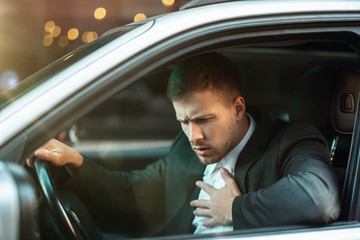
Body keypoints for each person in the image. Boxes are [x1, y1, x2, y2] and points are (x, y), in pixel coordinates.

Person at [28, 52, 340, 236]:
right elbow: (135, 191)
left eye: (204, 119)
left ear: (238, 109)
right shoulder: (187, 147)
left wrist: (235, 209)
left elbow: (319, 197)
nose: (193, 136)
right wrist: (75, 162)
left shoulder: (289, 141)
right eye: (183, 121)